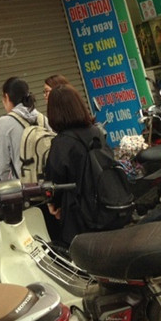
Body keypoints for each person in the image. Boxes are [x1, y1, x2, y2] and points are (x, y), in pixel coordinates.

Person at [43, 84, 105, 246]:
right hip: (107, 206)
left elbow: (54, 181)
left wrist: (53, 205)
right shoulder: (96, 132)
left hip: (80, 217)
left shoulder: (61, 143)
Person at [0, 77, 45, 181]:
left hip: (26, 186)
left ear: (6, 97)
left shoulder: (3, 123)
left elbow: (4, 167)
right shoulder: (42, 118)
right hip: (49, 182)